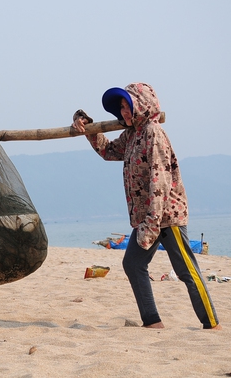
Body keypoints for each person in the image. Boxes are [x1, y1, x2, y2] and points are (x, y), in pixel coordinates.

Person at [72, 82, 220, 330]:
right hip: (146, 218)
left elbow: (159, 180)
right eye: (120, 108)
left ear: (140, 105)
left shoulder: (153, 132)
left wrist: (151, 225)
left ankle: (212, 324)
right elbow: (108, 151)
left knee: (186, 271)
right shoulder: (132, 134)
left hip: (166, 216)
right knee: (133, 264)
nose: (123, 112)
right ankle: (152, 322)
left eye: (126, 106)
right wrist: (87, 126)